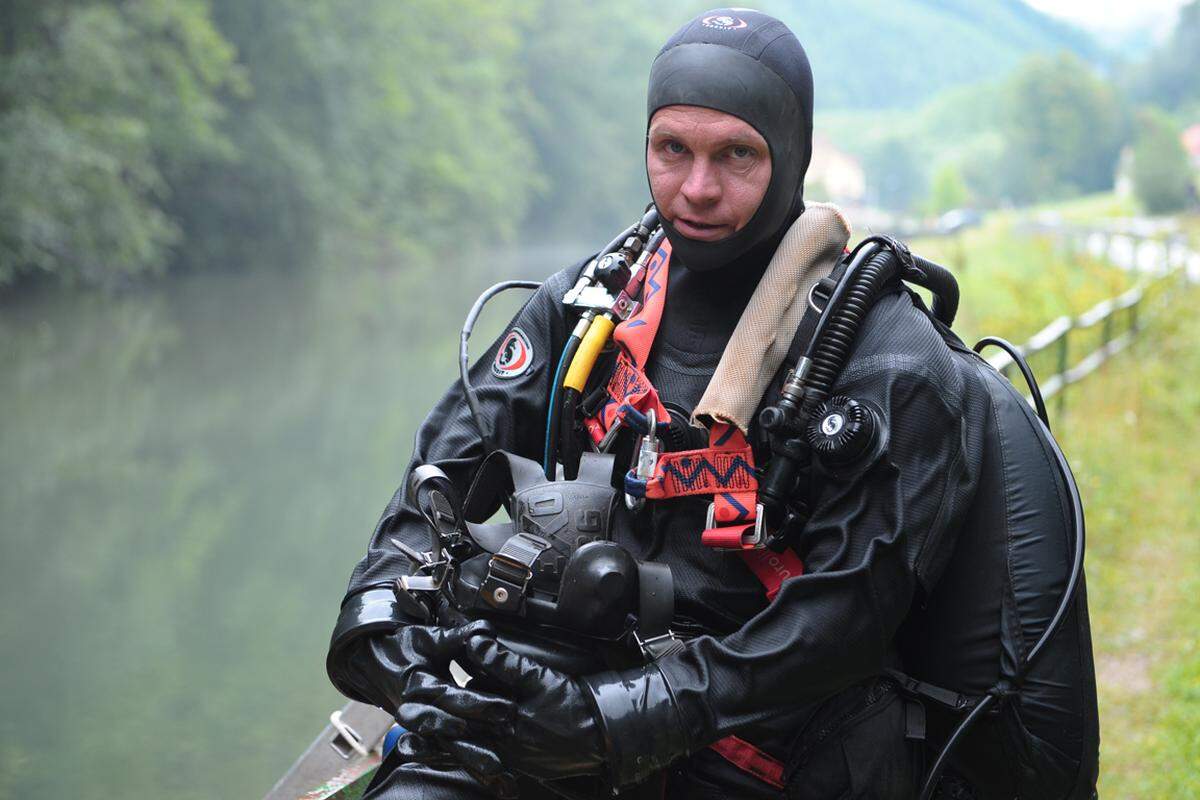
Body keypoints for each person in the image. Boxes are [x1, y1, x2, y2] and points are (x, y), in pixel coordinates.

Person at [327, 9, 1098, 800]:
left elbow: (843, 621)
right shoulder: (591, 308)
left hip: (763, 751)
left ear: (790, 156)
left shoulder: (889, 364)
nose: (697, 189)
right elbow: (444, 469)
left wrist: (614, 721)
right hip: (576, 703)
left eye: (736, 154)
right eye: (673, 150)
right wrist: (380, 618)